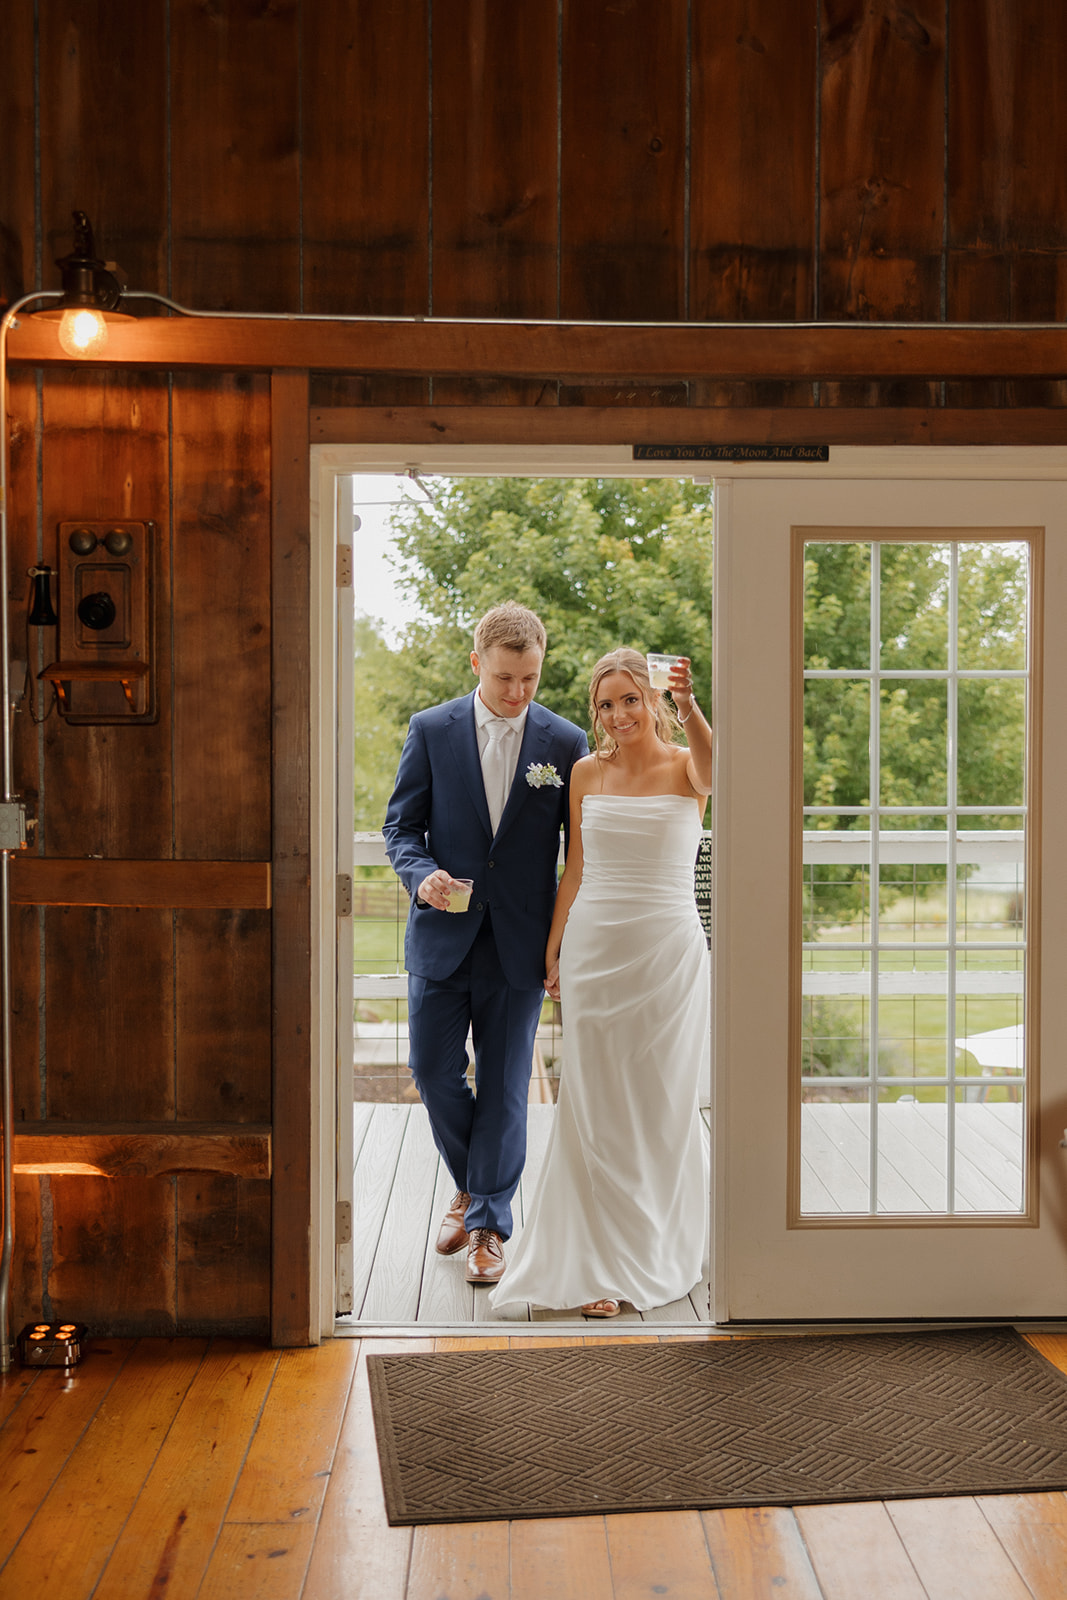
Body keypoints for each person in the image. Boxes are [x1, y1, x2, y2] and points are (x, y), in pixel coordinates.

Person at [489, 647, 712, 1319]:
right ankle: (596, 1261)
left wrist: (689, 706)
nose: (618, 715)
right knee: (596, 1104)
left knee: (660, 1102)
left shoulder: (688, 766)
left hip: (666, 954)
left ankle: (654, 1246)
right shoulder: (586, 772)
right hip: (595, 951)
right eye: (605, 705)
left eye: (629, 700)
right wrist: (554, 948)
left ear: (653, 700)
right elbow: (576, 869)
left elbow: (718, 772)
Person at [383, 602, 588, 1285]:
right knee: (431, 1070)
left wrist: (564, 942)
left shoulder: (565, 742)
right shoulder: (430, 729)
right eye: (504, 677)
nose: (517, 692)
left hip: (521, 943)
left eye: (530, 678)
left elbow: (579, 854)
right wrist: (421, 876)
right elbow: (401, 828)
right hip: (442, 935)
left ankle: (487, 1226)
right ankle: (473, 1186)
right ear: (477, 663)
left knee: (503, 1086)